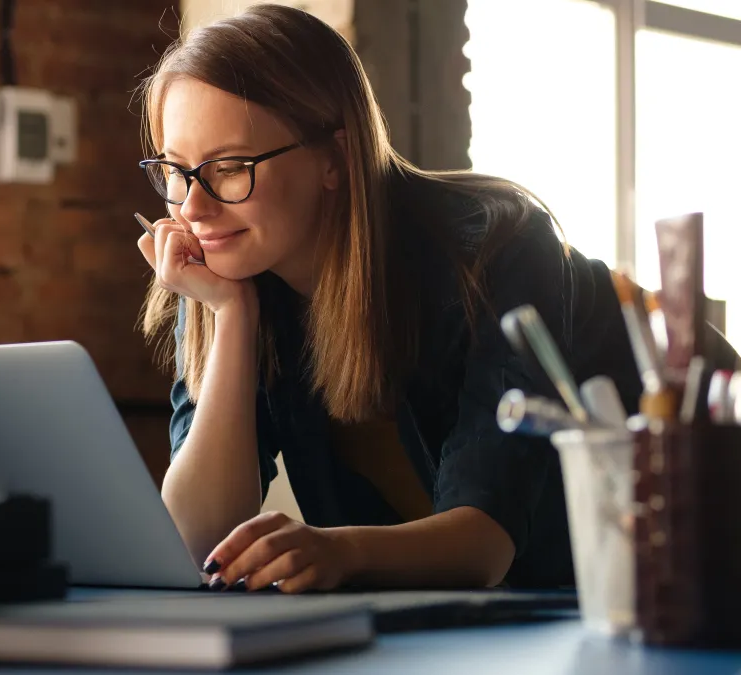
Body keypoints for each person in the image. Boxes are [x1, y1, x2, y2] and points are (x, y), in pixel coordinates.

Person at [134, 4, 646, 593]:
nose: (193, 208)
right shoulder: (226, 267)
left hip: (667, 562)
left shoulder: (497, 247)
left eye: (229, 167)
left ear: (335, 158)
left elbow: (487, 544)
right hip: (468, 623)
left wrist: (340, 551)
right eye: (175, 171)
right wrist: (231, 315)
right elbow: (199, 538)